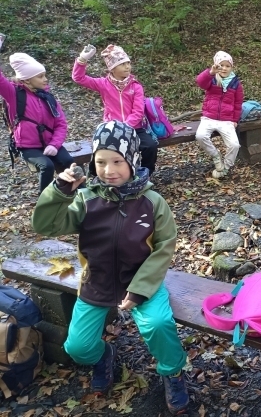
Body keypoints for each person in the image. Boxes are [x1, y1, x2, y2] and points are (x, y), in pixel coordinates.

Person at [31, 121, 188, 415]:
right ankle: (103, 356)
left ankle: (173, 371)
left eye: (117, 161)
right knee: (77, 347)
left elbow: (164, 247)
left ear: (132, 160)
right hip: (97, 281)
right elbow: (45, 225)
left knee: (158, 324)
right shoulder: (86, 199)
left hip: (142, 281)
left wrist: (140, 290)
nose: (108, 170)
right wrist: (60, 191)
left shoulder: (152, 202)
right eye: (101, 162)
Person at [72, 44, 158, 175]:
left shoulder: (135, 86)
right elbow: (79, 78)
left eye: (128, 63)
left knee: (150, 146)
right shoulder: (103, 84)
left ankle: (146, 174)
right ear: (112, 68)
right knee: (102, 149)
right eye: (122, 64)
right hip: (111, 128)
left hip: (134, 128)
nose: (127, 67)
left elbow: (138, 112)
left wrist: (124, 127)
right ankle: (96, 176)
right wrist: (82, 60)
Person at [0, 52, 74, 194]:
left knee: (68, 162)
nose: (45, 79)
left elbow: (61, 124)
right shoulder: (14, 94)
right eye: (40, 76)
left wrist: (54, 144)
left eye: (45, 75)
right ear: (27, 80)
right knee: (47, 166)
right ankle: (44, 201)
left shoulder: (48, 98)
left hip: (50, 143)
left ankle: (77, 194)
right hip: (28, 147)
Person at [195, 50, 244, 179]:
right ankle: (216, 156)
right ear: (216, 65)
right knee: (200, 136)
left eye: (227, 66)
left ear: (231, 67)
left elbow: (238, 103)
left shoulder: (236, 83)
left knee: (234, 145)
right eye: (221, 65)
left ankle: (226, 167)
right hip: (209, 118)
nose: (224, 68)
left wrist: (235, 120)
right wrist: (211, 72)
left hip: (226, 120)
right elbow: (200, 82)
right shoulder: (211, 79)